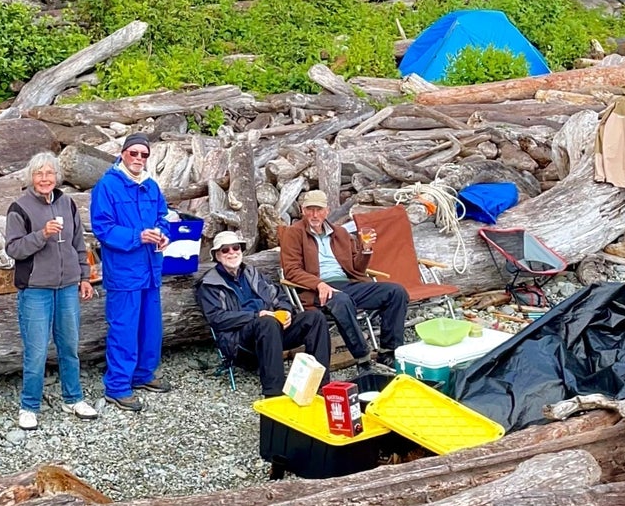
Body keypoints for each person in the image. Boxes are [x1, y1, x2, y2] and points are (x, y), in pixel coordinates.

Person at [3, 152, 100, 430]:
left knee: (70, 346)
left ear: (57, 176)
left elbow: (79, 244)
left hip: (68, 285)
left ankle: (73, 399)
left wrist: (84, 277)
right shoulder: (19, 208)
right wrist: (42, 234)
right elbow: (13, 249)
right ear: (31, 177)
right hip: (35, 289)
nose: (45, 179)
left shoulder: (67, 204)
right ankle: (29, 406)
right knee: (36, 351)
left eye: (49, 173)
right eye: (39, 173)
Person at [89, 133, 173, 412]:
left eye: (144, 154)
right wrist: (139, 236)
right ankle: (118, 386)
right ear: (123, 153)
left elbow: (164, 216)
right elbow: (103, 228)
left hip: (151, 268)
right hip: (124, 271)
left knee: (151, 326)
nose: (139, 159)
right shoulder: (107, 186)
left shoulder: (151, 185)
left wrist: (163, 233)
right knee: (123, 328)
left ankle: (143, 374)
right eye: (134, 153)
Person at [277, 191, 407, 370]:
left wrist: (366, 250)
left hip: (348, 284)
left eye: (319, 209)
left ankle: (388, 352)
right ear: (302, 210)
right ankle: (362, 358)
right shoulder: (294, 233)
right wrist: (319, 284)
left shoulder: (340, 233)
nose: (314, 214)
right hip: (316, 290)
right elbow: (291, 270)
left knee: (396, 292)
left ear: (327, 211)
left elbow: (356, 268)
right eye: (310, 209)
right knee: (341, 300)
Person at [195, 231, 326, 397]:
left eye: (236, 248)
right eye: (225, 250)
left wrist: (285, 310)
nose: (232, 253)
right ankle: (274, 392)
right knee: (267, 322)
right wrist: (257, 316)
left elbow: (279, 296)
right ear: (216, 255)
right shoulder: (209, 284)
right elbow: (217, 319)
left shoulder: (252, 273)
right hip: (239, 342)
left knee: (315, 318)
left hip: (271, 332)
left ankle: (321, 384)